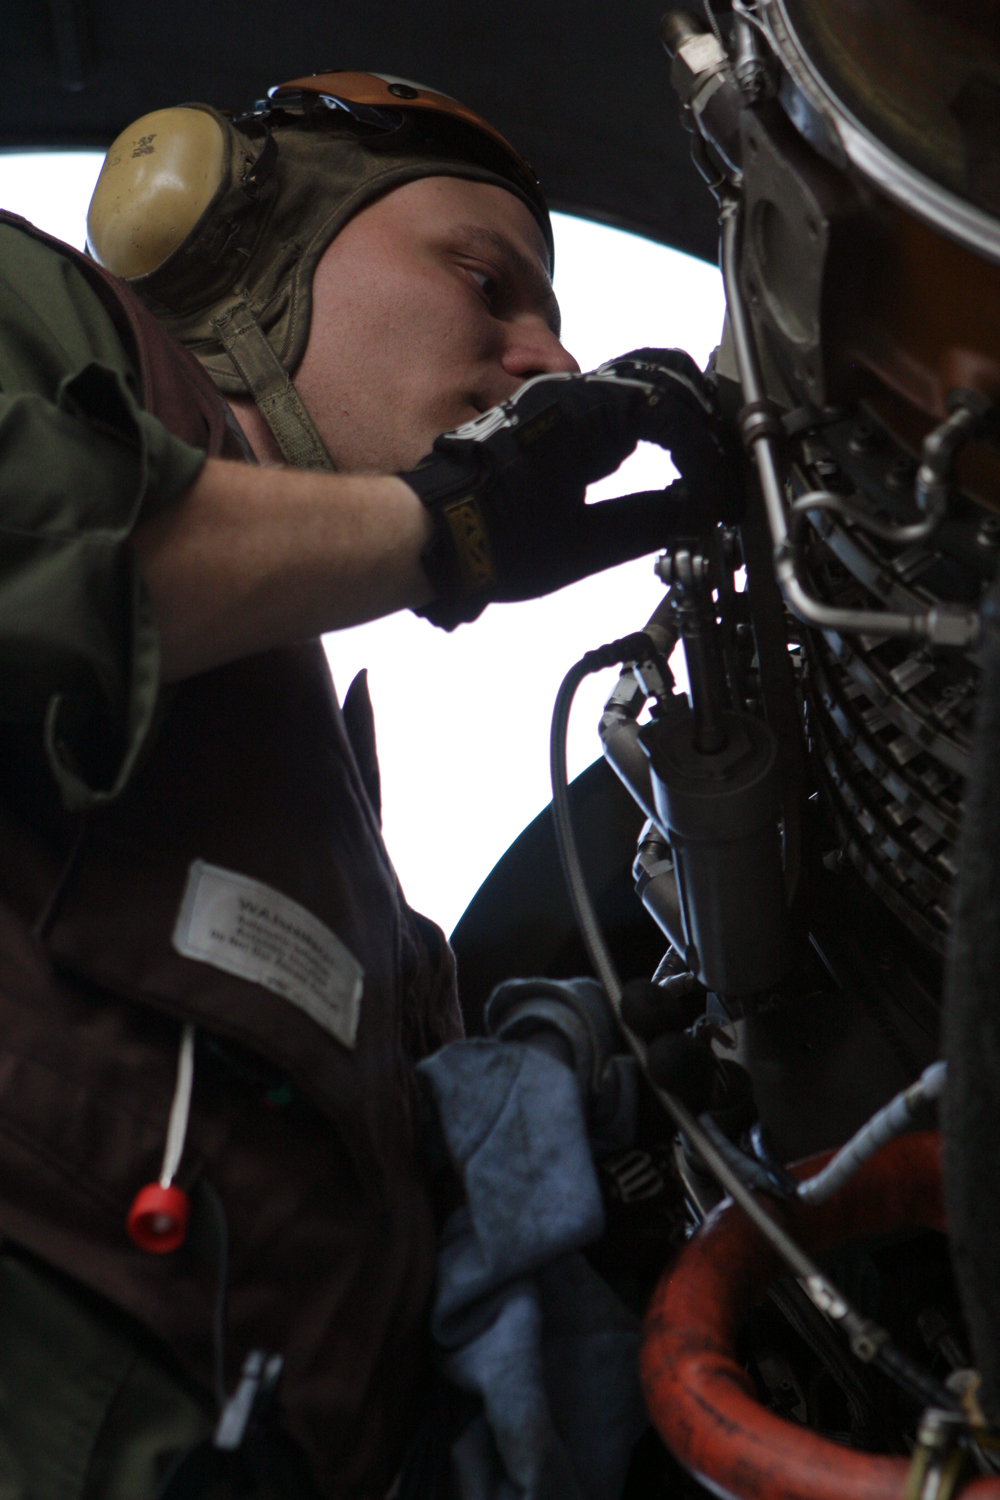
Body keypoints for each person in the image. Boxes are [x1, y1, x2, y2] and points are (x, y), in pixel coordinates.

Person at [0, 71, 740, 1499]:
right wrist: (445, 527)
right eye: (485, 279)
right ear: (247, 256)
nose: (549, 356)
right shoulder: (38, 307)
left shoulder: (346, 855)